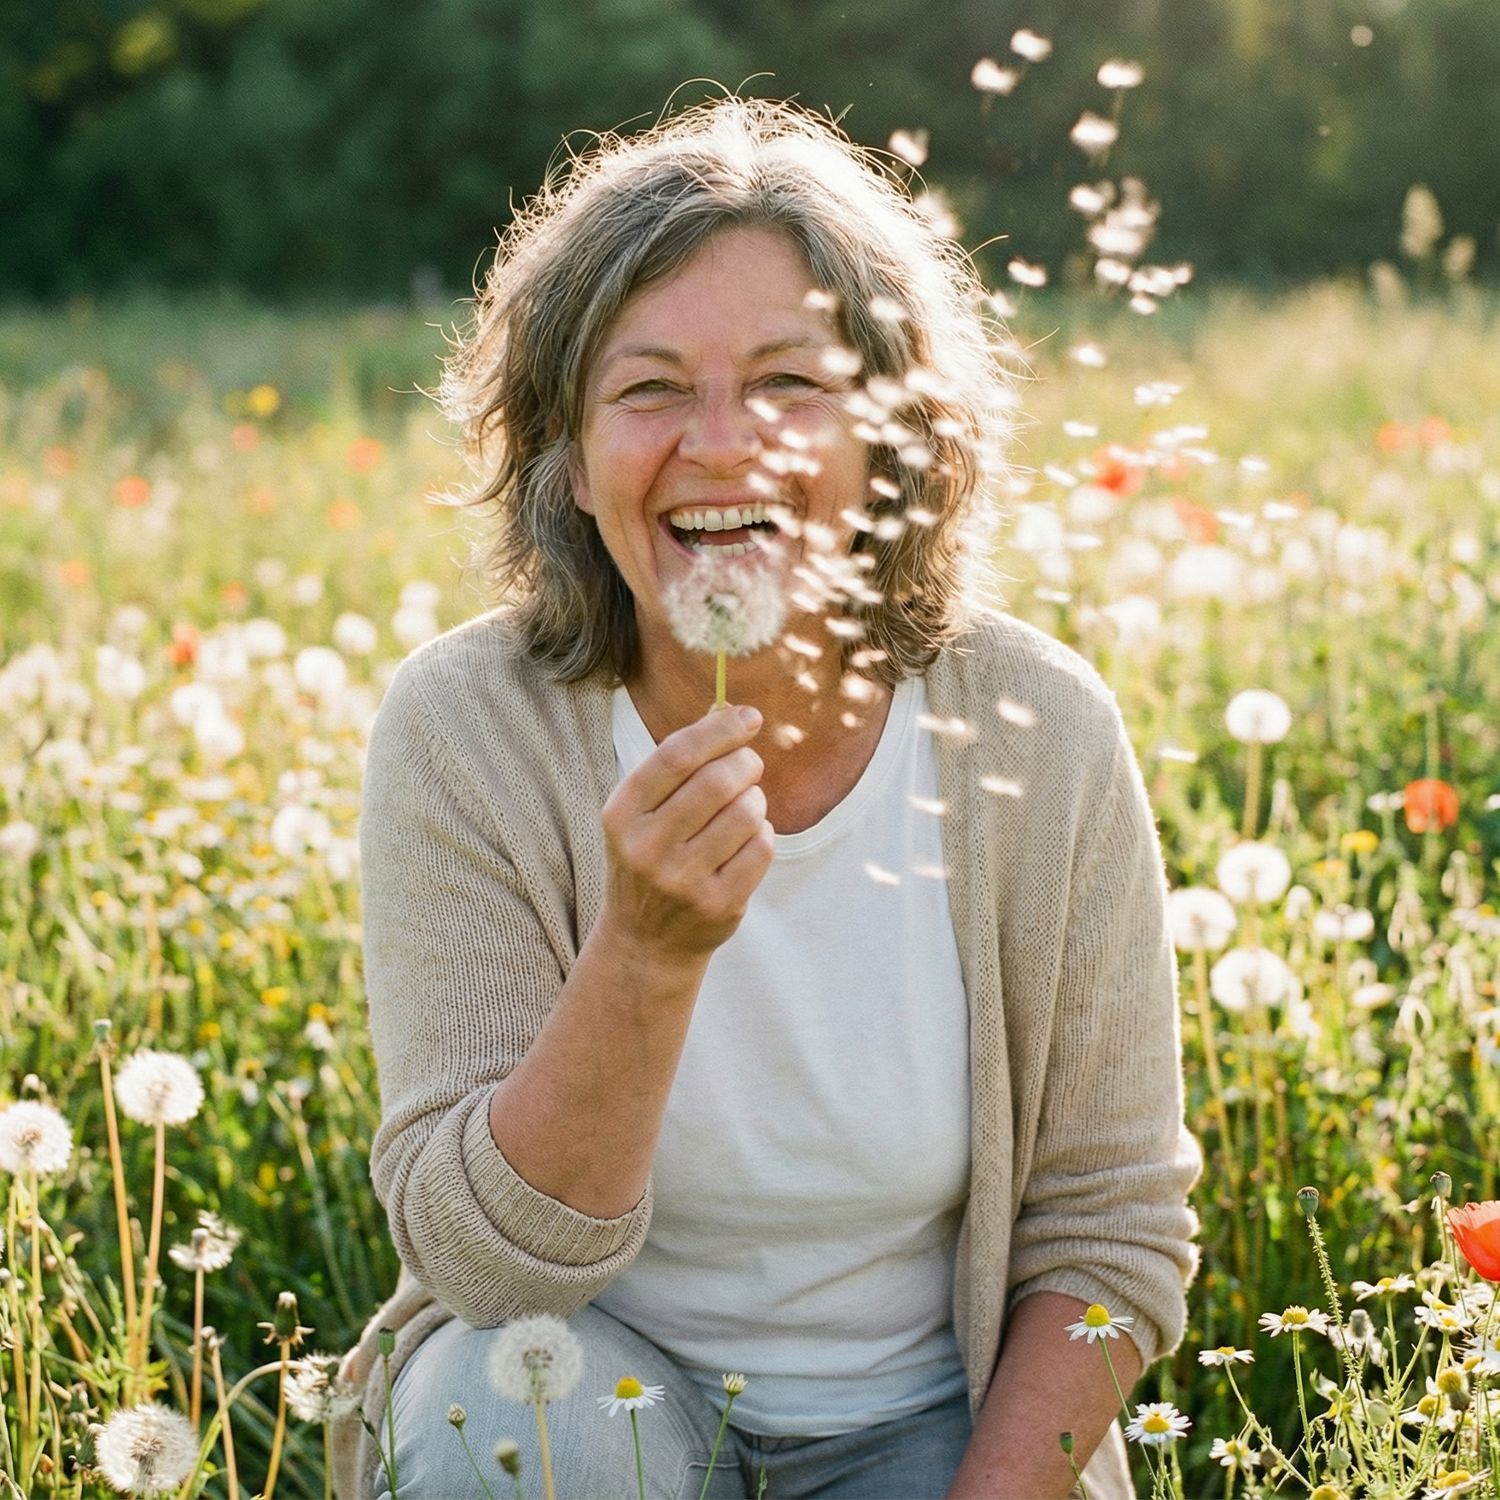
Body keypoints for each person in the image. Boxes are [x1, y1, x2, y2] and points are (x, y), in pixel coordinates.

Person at [333, 96, 1199, 1500]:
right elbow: (484, 1268)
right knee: (500, 1407)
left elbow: (1110, 1238)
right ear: (565, 455)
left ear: (896, 440)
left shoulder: (1036, 734)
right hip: (594, 1405)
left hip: (939, 1438)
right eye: (652, 388)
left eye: (792, 384)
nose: (725, 446)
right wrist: (646, 953)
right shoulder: (469, 731)